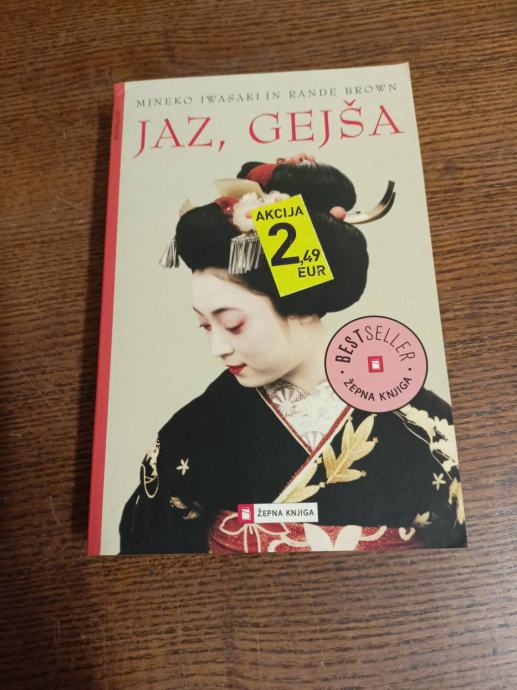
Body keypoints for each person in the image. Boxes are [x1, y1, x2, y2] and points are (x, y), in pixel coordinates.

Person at [119, 155, 466, 554]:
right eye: (205, 326)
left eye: (233, 323)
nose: (218, 348)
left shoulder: (424, 425)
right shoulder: (195, 431)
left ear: (301, 304)